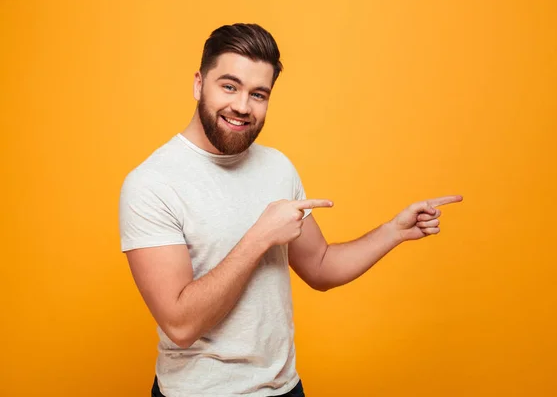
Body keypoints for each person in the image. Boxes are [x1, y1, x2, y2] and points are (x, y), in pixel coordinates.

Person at [118, 23, 462, 397]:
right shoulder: (152, 183)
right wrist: (260, 238)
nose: (242, 106)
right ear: (200, 84)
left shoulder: (277, 167)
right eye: (229, 86)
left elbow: (320, 267)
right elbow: (181, 326)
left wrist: (393, 230)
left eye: (259, 94)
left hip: (283, 388)